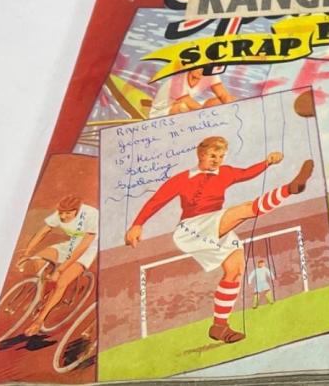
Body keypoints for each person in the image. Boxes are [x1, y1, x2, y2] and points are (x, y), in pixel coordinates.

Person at [124, 136, 313, 344]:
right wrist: (137, 224)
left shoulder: (226, 173)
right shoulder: (182, 179)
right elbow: (157, 200)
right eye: (213, 156)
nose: (217, 160)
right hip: (191, 228)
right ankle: (289, 189)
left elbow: (246, 173)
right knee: (243, 210)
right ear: (201, 154)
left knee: (235, 270)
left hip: (215, 225)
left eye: (221, 156)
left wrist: (267, 162)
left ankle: (219, 327)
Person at [14, 195, 98, 337]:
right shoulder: (60, 214)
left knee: (61, 282)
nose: (63, 217)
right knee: (37, 261)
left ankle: (39, 320)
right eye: (61, 213)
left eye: (68, 213)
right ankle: (41, 295)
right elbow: (43, 232)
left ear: (77, 210)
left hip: (86, 251)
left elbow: (83, 247)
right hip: (69, 245)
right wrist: (26, 254)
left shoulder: (92, 215)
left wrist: (61, 268)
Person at [149, 68, 234, 118]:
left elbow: (223, 95)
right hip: (161, 111)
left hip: (188, 106)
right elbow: (189, 103)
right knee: (182, 107)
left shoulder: (209, 73)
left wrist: (232, 109)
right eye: (199, 67)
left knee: (222, 101)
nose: (202, 71)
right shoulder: (178, 79)